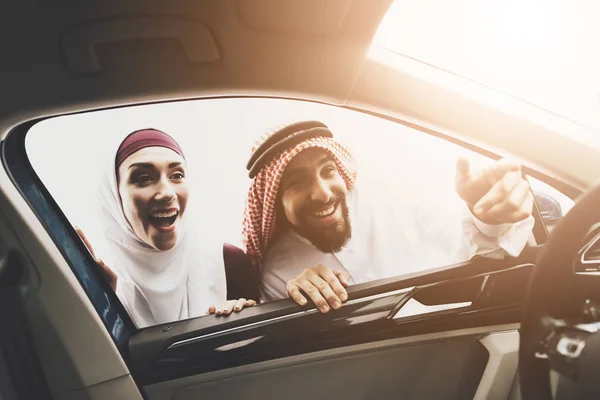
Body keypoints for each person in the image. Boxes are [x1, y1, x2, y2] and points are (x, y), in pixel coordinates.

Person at [242, 120, 535, 313]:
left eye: (328, 171)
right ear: (275, 203)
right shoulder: (280, 271)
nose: (322, 193)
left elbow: (478, 248)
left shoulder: (393, 197)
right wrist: (303, 300)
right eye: (297, 182)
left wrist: (488, 217)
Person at [78, 128, 255, 328]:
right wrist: (101, 307)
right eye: (143, 178)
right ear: (114, 195)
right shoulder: (99, 278)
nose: (167, 193)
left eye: (177, 175)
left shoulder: (228, 263)